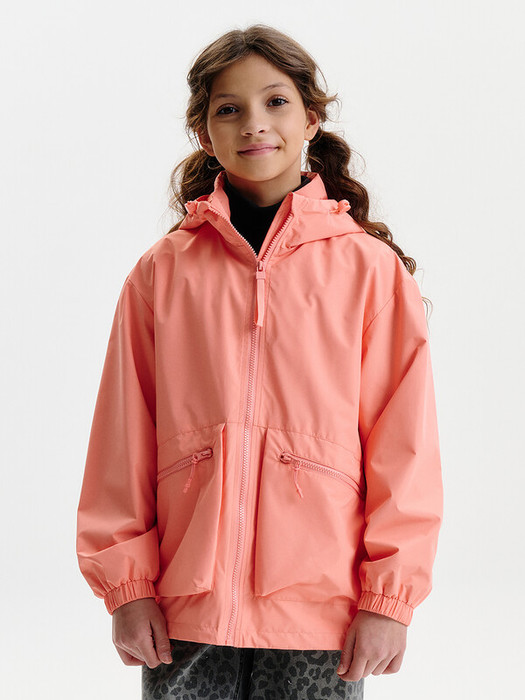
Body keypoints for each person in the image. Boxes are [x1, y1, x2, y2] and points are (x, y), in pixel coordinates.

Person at [76, 24, 443, 700]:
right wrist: (127, 588)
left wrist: (388, 599)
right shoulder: (162, 273)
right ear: (202, 132)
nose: (254, 123)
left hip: (321, 610)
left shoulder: (369, 271)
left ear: (311, 120)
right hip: (184, 606)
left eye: (275, 102)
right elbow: (121, 440)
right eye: (229, 108)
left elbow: (404, 448)